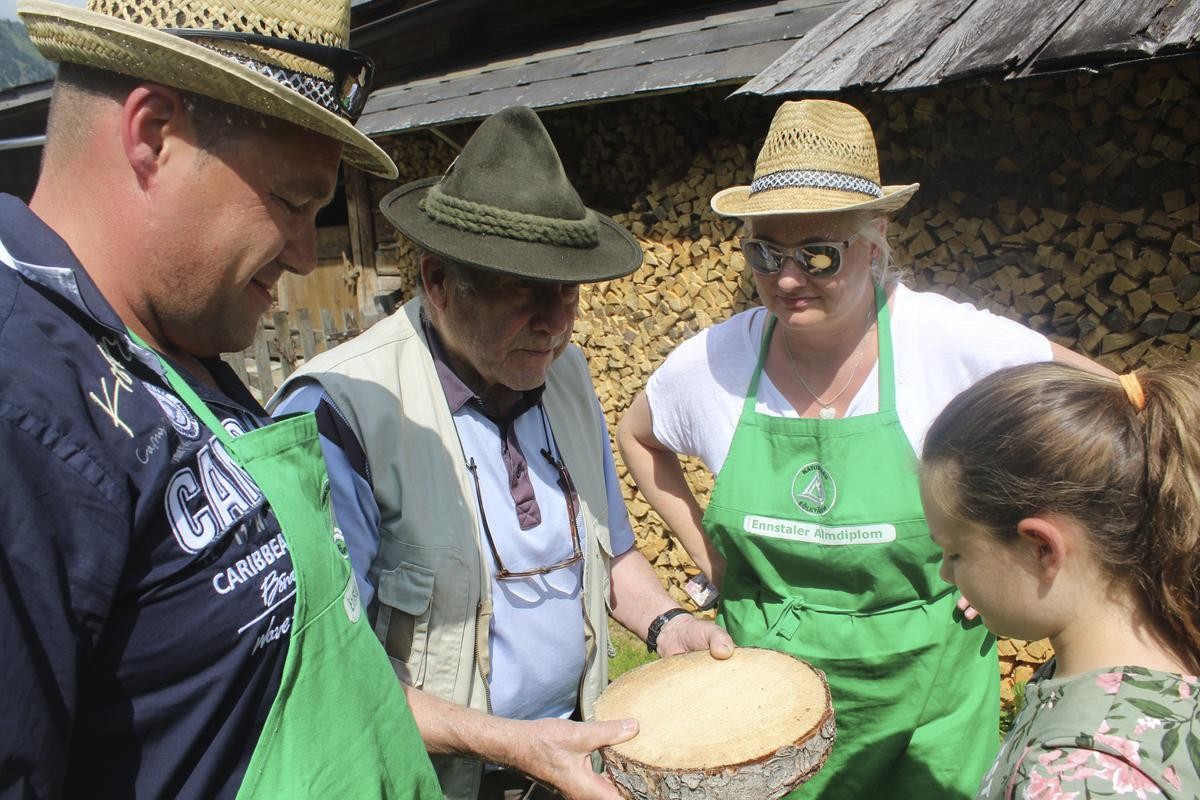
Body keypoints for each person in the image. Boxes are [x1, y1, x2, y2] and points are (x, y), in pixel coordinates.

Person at [0, 0, 441, 797]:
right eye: (292, 202)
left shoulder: (173, 339)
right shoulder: (20, 407)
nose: (308, 254)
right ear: (154, 136)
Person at [616, 98, 1110, 799]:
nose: (788, 279)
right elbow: (638, 436)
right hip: (764, 711)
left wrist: (1007, 555)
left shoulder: (947, 342)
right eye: (765, 253)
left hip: (927, 715)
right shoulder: (715, 361)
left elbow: (1117, 404)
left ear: (875, 242)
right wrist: (708, 555)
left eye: (818, 254)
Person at [270, 105, 734, 800]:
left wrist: (666, 625)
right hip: (440, 781)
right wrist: (511, 743)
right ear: (436, 281)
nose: (554, 325)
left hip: (572, 760)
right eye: (522, 291)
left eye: (567, 293)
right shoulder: (343, 413)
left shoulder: (564, 372)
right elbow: (336, 672)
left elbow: (614, 552)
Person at [921, 361, 1200, 798]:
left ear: (1042, 548)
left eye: (955, 551)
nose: (945, 572)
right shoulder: (1169, 644)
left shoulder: (1079, 778)